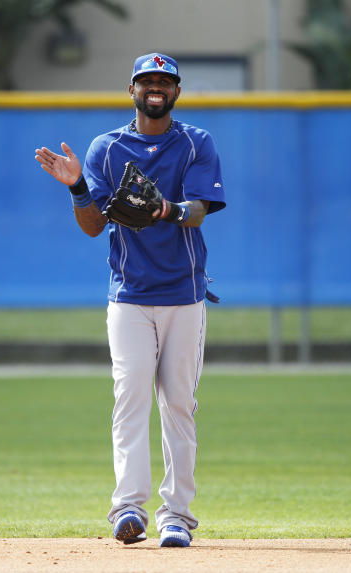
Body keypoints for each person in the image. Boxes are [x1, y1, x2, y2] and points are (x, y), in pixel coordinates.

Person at [35, 52, 226, 548]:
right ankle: (128, 508)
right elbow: (95, 225)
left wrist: (163, 208)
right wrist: (78, 186)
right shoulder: (107, 147)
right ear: (132, 89)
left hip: (184, 294)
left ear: (177, 92)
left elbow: (199, 211)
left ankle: (177, 515)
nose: (156, 87)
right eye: (147, 81)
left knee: (179, 404)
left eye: (165, 81)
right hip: (129, 296)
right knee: (131, 395)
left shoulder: (195, 144)